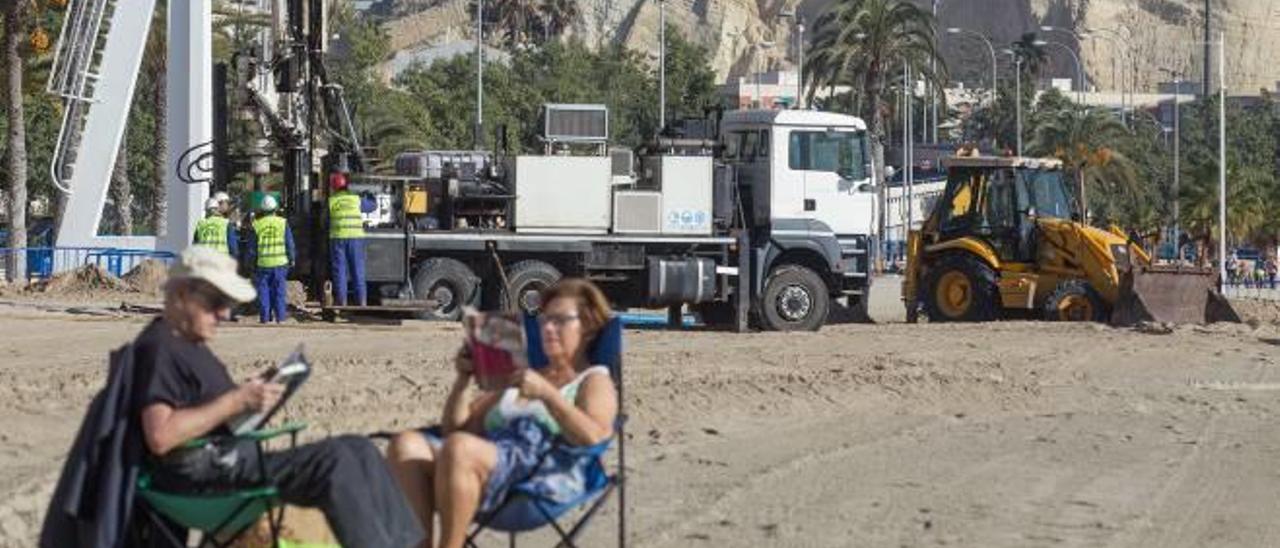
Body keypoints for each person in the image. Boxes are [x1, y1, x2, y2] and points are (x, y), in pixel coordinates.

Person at [132, 247, 423, 547]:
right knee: (335, 463)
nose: (224, 313)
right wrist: (237, 401)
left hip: (224, 461)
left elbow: (205, 411)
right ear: (181, 295)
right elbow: (161, 435)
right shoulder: (161, 349)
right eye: (217, 302)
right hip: (203, 476)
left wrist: (253, 394)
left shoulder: (186, 343)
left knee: (360, 449)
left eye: (227, 302)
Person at [385, 279, 618, 548]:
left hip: (541, 477)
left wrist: (548, 395)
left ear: (588, 326)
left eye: (560, 320)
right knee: (406, 445)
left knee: (460, 449)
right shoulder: (523, 374)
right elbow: (456, 429)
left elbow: (595, 436)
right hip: (483, 465)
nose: (548, 328)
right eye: (544, 320)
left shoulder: (592, 380)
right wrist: (463, 380)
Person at [328, 172, 376, 306]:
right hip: (355, 238)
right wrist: (370, 195)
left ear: (334, 187)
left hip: (338, 239)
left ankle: (341, 302)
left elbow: (324, 219)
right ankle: (361, 301)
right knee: (357, 270)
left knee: (340, 271)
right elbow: (372, 207)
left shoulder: (332, 201)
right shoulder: (356, 199)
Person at [246, 195, 294, 323]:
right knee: (279, 292)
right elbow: (289, 243)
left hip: (263, 264)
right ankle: (280, 318)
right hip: (280, 263)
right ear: (275, 209)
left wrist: (250, 264)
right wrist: (292, 258)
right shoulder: (282, 223)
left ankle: (265, 319)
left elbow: (252, 249)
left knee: (263, 292)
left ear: (262, 209)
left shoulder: (256, 225)